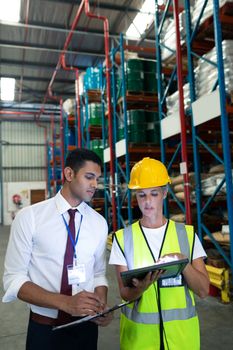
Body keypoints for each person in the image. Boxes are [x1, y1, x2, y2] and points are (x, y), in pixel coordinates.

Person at [3, 148, 112, 350]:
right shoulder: (30, 217)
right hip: (45, 329)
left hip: (86, 327)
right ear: (69, 174)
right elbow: (13, 279)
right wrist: (64, 302)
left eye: (97, 178)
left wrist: (101, 304)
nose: (95, 185)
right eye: (89, 177)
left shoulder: (99, 223)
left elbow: (98, 274)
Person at [109, 157, 210, 350]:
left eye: (153, 194)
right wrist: (141, 287)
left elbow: (203, 290)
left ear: (164, 193)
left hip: (182, 341)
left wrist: (183, 263)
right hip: (140, 342)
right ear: (135, 197)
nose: (147, 202)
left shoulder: (186, 235)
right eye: (141, 195)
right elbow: (125, 293)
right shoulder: (123, 239)